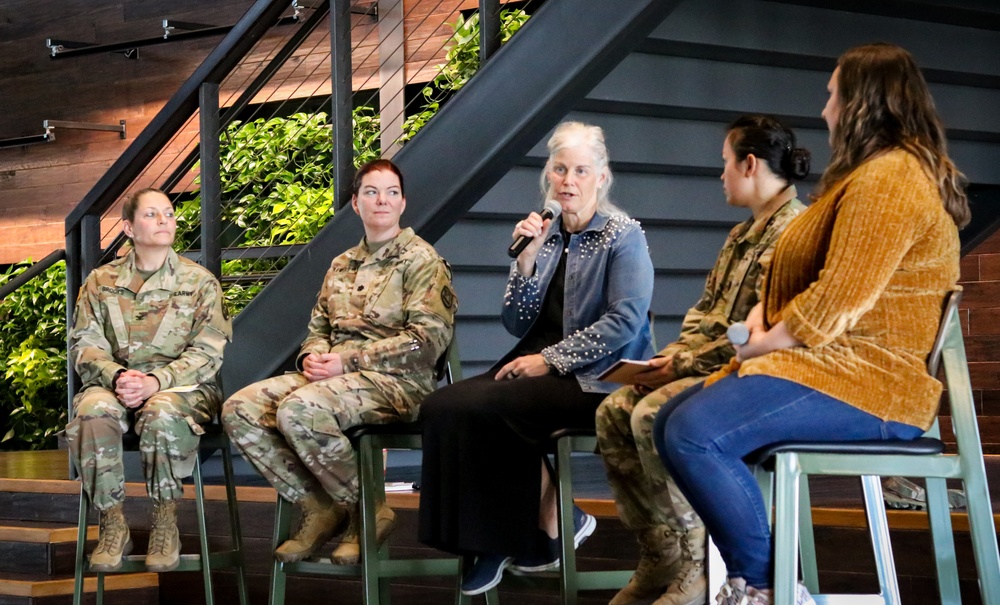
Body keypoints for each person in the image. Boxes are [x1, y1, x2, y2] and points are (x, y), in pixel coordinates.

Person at [653, 42, 968, 605]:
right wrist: (762, 320)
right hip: (832, 367)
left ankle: (765, 586)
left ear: (861, 104)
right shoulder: (868, 176)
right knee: (672, 420)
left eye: (831, 96)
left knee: (694, 432)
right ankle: (766, 580)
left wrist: (761, 343)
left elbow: (835, 301)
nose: (824, 110)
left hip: (872, 383)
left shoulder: (892, 177)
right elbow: (804, 280)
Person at [418, 121, 655, 596]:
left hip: (596, 377)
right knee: (441, 406)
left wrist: (550, 360)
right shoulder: (543, 235)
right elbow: (514, 320)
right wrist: (524, 262)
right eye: (560, 169)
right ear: (548, 174)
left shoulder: (623, 236)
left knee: (489, 410)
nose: (568, 180)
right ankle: (537, 527)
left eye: (581, 171)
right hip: (533, 364)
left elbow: (624, 322)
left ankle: (499, 542)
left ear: (601, 178)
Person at [596, 115, 809, 605]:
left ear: (750, 164)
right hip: (706, 367)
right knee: (613, 410)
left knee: (653, 414)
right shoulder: (740, 236)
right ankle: (662, 554)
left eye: (725, 163)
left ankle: (701, 565)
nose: (721, 175)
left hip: (757, 376)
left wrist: (681, 368)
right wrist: (665, 361)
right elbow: (705, 315)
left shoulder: (794, 234)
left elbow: (763, 333)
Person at [222, 159, 456, 565]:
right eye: (371, 192)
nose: (381, 200)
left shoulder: (422, 261)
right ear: (355, 203)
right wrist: (312, 355)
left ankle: (367, 511)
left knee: (299, 410)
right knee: (240, 409)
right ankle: (323, 506)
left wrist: (347, 362)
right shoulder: (341, 265)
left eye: (391, 193)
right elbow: (318, 328)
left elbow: (427, 342)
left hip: (398, 385)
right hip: (333, 381)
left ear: (403, 204)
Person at [66, 188, 232, 573]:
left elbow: (207, 354)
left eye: (169, 214)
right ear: (128, 227)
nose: (164, 221)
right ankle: (112, 523)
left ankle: (164, 521)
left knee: (161, 413)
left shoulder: (199, 282)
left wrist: (157, 381)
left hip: (184, 390)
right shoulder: (100, 282)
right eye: (152, 215)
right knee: (91, 412)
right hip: (116, 386)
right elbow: (85, 345)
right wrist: (118, 376)